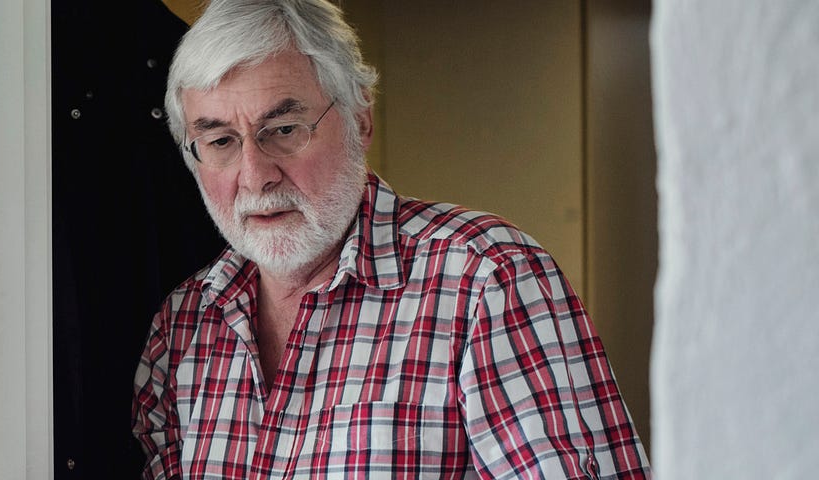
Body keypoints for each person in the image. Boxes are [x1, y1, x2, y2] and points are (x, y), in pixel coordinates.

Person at [130, 0, 651, 478]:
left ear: (360, 120)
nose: (255, 174)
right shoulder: (184, 326)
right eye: (220, 140)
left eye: (284, 129)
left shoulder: (488, 280)